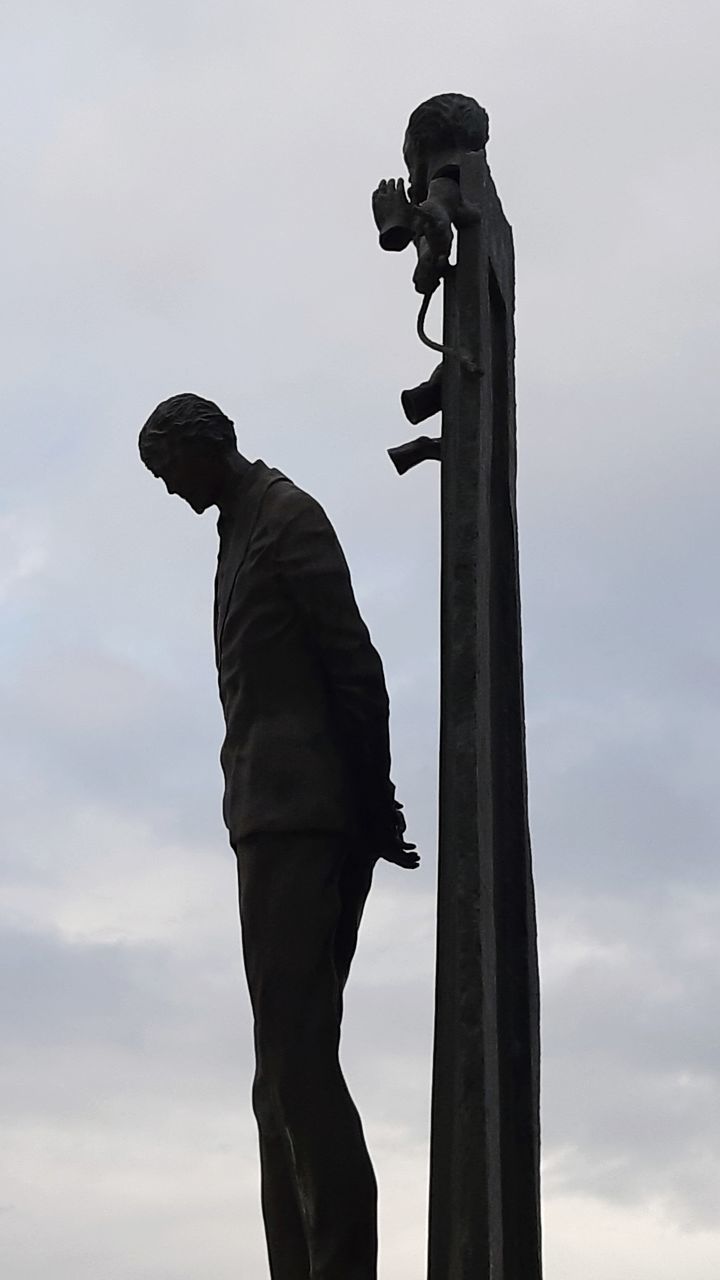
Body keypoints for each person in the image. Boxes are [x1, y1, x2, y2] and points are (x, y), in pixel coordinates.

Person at [139, 392, 417, 1280]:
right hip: (265, 817)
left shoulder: (286, 517)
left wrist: (374, 803)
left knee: (297, 1067)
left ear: (202, 447)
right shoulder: (237, 529)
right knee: (277, 1079)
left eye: (168, 471)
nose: (169, 494)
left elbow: (353, 664)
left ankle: (339, 1266)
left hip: (303, 817)